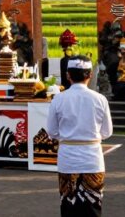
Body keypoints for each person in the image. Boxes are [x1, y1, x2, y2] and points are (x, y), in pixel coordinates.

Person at [47, 55, 113, 217]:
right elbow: (107, 132)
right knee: (93, 207)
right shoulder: (100, 99)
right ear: (90, 75)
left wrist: (68, 137)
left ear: (68, 75)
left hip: (68, 158)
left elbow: (52, 131)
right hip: (92, 158)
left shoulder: (59, 99)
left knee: (69, 206)